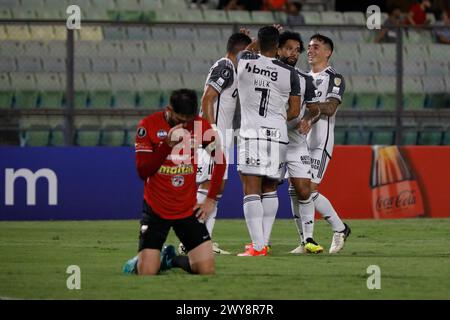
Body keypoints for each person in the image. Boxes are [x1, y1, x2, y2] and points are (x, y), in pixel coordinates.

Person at [122, 89, 226, 275]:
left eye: (188, 120)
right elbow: (143, 171)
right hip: (156, 210)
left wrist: (210, 198)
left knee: (206, 270)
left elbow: (220, 160)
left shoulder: (199, 125)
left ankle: (170, 259)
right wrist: (167, 145)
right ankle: (145, 261)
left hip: (187, 209)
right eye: (180, 120)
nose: (185, 125)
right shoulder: (149, 125)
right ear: (168, 109)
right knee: (147, 272)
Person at [181, 32, 252, 255]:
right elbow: (207, 98)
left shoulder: (232, 67)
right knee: (207, 184)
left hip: (222, 134)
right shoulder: (226, 67)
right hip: (213, 134)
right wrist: (210, 130)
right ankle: (190, 240)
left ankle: (204, 240)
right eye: (248, 52)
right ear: (240, 51)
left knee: (215, 188)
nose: (250, 57)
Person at [236, 25, 301, 256]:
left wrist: (254, 41)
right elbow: (294, 110)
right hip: (278, 135)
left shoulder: (245, 61)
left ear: (259, 43)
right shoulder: (290, 72)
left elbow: (247, 50)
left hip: (251, 133)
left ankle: (257, 246)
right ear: (278, 46)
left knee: (251, 188)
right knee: (270, 188)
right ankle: (262, 242)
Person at [288, 34, 350, 254]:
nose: (310, 50)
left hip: (320, 142)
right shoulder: (301, 76)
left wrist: (309, 111)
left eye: (316, 47)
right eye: (310, 47)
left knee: (309, 190)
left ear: (328, 52)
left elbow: (331, 108)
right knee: (295, 191)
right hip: (300, 141)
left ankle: (340, 228)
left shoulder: (335, 78)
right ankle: (305, 241)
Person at [276, 31, 324, 254]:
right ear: (277, 49)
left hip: (295, 143)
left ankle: (308, 240)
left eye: (297, 50)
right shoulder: (266, 73)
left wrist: (308, 119)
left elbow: (315, 109)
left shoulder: (305, 79)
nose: (293, 53)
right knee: (264, 190)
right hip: (271, 142)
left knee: (304, 189)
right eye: (288, 48)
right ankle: (259, 243)